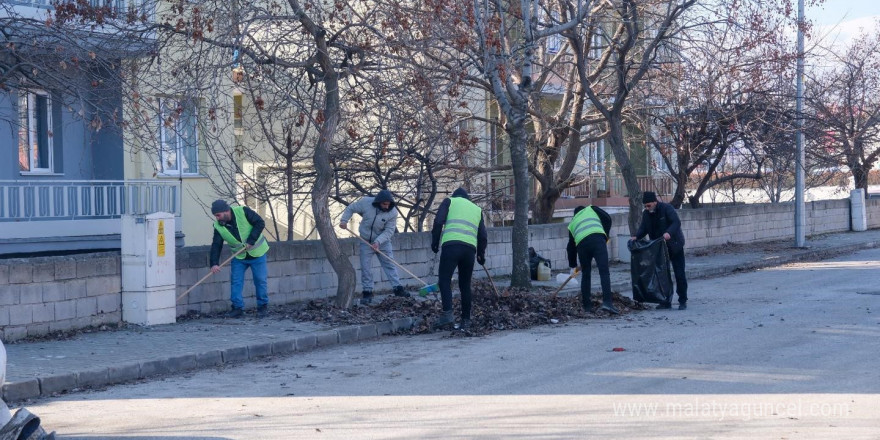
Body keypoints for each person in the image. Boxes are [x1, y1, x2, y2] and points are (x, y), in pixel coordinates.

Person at [430, 187, 488, 331]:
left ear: (455, 196)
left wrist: (435, 242)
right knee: (465, 285)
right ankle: (466, 321)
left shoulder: (450, 201)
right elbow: (483, 235)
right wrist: (481, 254)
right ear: (467, 198)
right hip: (469, 250)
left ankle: (447, 314)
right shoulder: (476, 209)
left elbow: (438, 222)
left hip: (451, 246)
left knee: (444, 280)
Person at [340, 189, 409, 305]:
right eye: (384, 204)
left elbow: (389, 231)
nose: (386, 207)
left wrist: (378, 242)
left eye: (388, 205)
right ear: (378, 202)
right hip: (365, 240)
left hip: (383, 242)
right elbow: (351, 208)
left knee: (389, 264)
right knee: (365, 267)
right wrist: (344, 220)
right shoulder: (365, 203)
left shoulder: (393, 212)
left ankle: (398, 288)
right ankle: (367, 292)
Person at [209, 199, 271, 318]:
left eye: (218, 215)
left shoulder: (243, 211)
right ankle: (237, 308)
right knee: (236, 282)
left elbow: (259, 223)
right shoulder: (218, 226)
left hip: (257, 253)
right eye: (215, 216)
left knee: (260, 280)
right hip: (239, 256)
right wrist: (214, 263)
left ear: (226, 211)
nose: (217, 218)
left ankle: (262, 307)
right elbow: (216, 245)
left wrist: (251, 240)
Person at [630, 191, 688, 310]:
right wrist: (637, 236)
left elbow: (676, 222)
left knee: (679, 273)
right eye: (645, 206)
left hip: (674, 246)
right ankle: (665, 300)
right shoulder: (646, 214)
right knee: (661, 275)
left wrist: (668, 233)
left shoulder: (667, 209)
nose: (647, 208)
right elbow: (644, 228)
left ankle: (682, 299)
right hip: (659, 249)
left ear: (655, 202)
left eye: (649, 205)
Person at [566, 205, 619, 314]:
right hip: (598, 240)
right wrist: (606, 236)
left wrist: (573, 265)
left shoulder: (572, 223)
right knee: (604, 272)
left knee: (586, 274)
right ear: (583, 209)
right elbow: (607, 218)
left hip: (581, 244)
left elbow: (570, 247)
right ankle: (607, 303)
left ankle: (587, 307)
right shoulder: (591, 209)